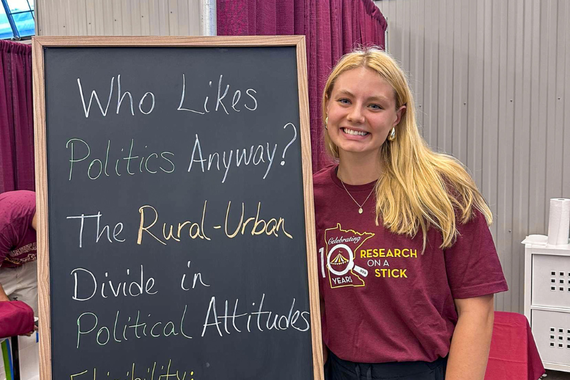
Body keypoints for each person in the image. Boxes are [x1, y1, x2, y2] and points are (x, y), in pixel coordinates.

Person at [314, 48, 508, 380]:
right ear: (327, 105)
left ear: (397, 117)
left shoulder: (442, 192)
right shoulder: (309, 198)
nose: (356, 116)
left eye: (375, 105)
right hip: (334, 370)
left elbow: (477, 310)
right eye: (345, 100)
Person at [0, 190, 38, 317]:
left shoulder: (63, 218)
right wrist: (11, 315)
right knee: (7, 319)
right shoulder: (6, 222)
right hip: (3, 269)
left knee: (33, 321)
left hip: (27, 263)